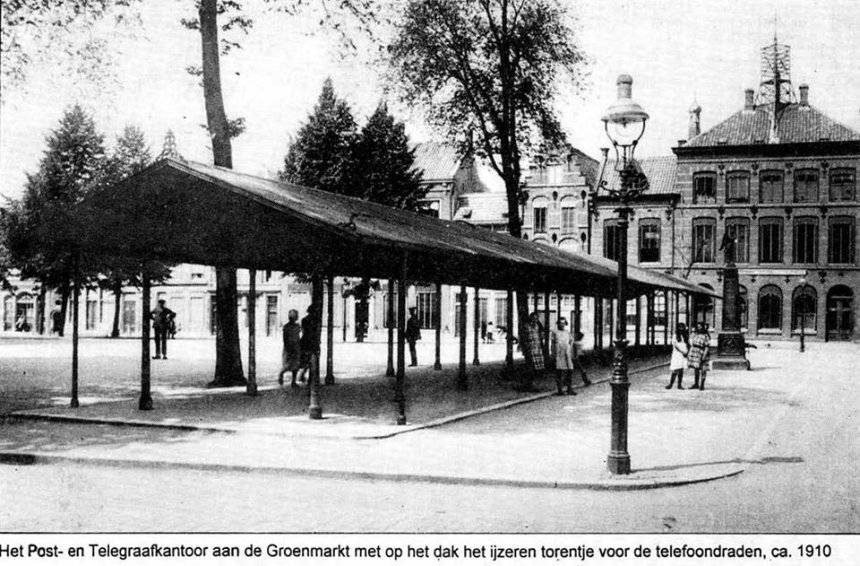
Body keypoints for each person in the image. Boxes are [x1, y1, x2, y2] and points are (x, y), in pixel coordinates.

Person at [517, 312, 545, 392]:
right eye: (534, 318)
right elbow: (522, 338)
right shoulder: (526, 326)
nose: (535, 320)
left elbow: (542, 336)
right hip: (529, 349)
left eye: (536, 318)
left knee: (537, 368)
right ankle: (528, 385)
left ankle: (533, 384)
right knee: (530, 367)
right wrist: (524, 348)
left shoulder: (538, 326)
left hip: (537, 349)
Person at [550, 318, 576, 396]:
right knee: (559, 371)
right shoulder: (555, 332)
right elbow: (552, 343)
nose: (562, 325)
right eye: (560, 323)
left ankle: (569, 388)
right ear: (558, 324)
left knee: (570, 370)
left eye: (563, 323)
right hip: (559, 353)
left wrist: (569, 347)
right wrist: (553, 353)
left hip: (567, 353)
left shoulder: (567, 332)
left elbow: (571, 340)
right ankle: (560, 390)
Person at [297, 304, 320, 383]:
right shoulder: (316, 320)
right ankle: (308, 377)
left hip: (305, 341)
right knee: (312, 360)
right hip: (312, 341)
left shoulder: (304, 320)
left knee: (306, 360)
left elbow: (303, 330)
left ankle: (303, 375)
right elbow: (316, 332)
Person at [279, 309, 301, 387]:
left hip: (296, 347)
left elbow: (298, 337)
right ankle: (281, 374)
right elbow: (285, 338)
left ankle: (293, 381)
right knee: (287, 364)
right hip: (289, 347)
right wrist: (288, 347)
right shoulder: (286, 327)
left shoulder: (297, 326)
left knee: (295, 366)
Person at [688, 322, 711, 390]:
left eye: (700, 327)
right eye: (697, 327)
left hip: (702, 352)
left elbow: (707, 347)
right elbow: (691, 343)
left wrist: (704, 355)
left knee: (703, 369)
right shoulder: (695, 335)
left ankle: (702, 384)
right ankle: (696, 384)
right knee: (696, 368)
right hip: (695, 353)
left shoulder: (706, 336)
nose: (698, 328)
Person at [667, 322, 689, 389]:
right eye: (680, 327)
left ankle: (679, 384)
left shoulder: (686, 336)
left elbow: (688, 344)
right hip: (677, 353)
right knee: (675, 368)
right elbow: (676, 345)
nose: (681, 329)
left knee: (681, 369)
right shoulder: (675, 336)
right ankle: (671, 384)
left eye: (682, 327)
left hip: (684, 353)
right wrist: (682, 351)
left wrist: (687, 352)